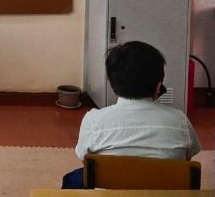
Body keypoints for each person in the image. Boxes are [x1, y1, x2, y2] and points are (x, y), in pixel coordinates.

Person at [63, 41, 200, 188]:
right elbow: (187, 159)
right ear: (159, 85)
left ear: (113, 83)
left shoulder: (93, 121)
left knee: (73, 178)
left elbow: (85, 159)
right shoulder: (180, 121)